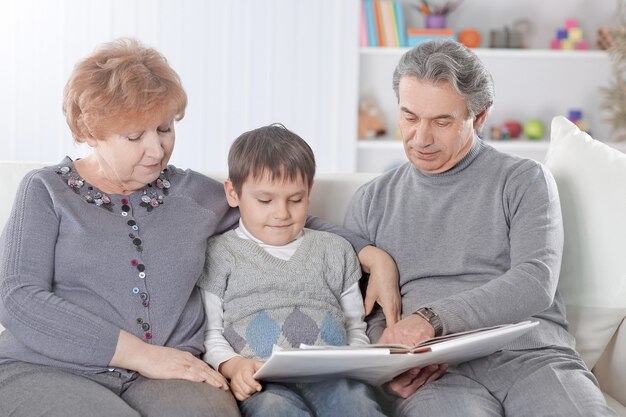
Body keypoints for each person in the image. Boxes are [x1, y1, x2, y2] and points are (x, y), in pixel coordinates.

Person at [0, 38, 399, 417]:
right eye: (135, 135)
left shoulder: (193, 194)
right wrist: (143, 355)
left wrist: (369, 254)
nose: (156, 150)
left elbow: (280, 217)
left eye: (165, 128)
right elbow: (18, 296)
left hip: (174, 369)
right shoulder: (47, 190)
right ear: (91, 133)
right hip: (52, 367)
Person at [344, 40, 617, 417]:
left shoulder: (523, 180)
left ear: (480, 116)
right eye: (409, 117)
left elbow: (534, 280)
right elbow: (368, 313)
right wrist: (388, 363)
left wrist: (430, 320)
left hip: (530, 355)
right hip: (435, 374)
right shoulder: (371, 200)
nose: (420, 138)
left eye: (441, 121)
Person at [197, 124, 387, 417]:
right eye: (265, 200)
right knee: (274, 410)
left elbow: (355, 327)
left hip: (333, 378)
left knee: (358, 405)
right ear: (233, 193)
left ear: (310, 191)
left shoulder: (335, 250)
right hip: (264, 382)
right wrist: (234, 367)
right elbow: (210, 334)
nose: (282, 213)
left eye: (295, 200)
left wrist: (354, 361)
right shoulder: (219, 254)